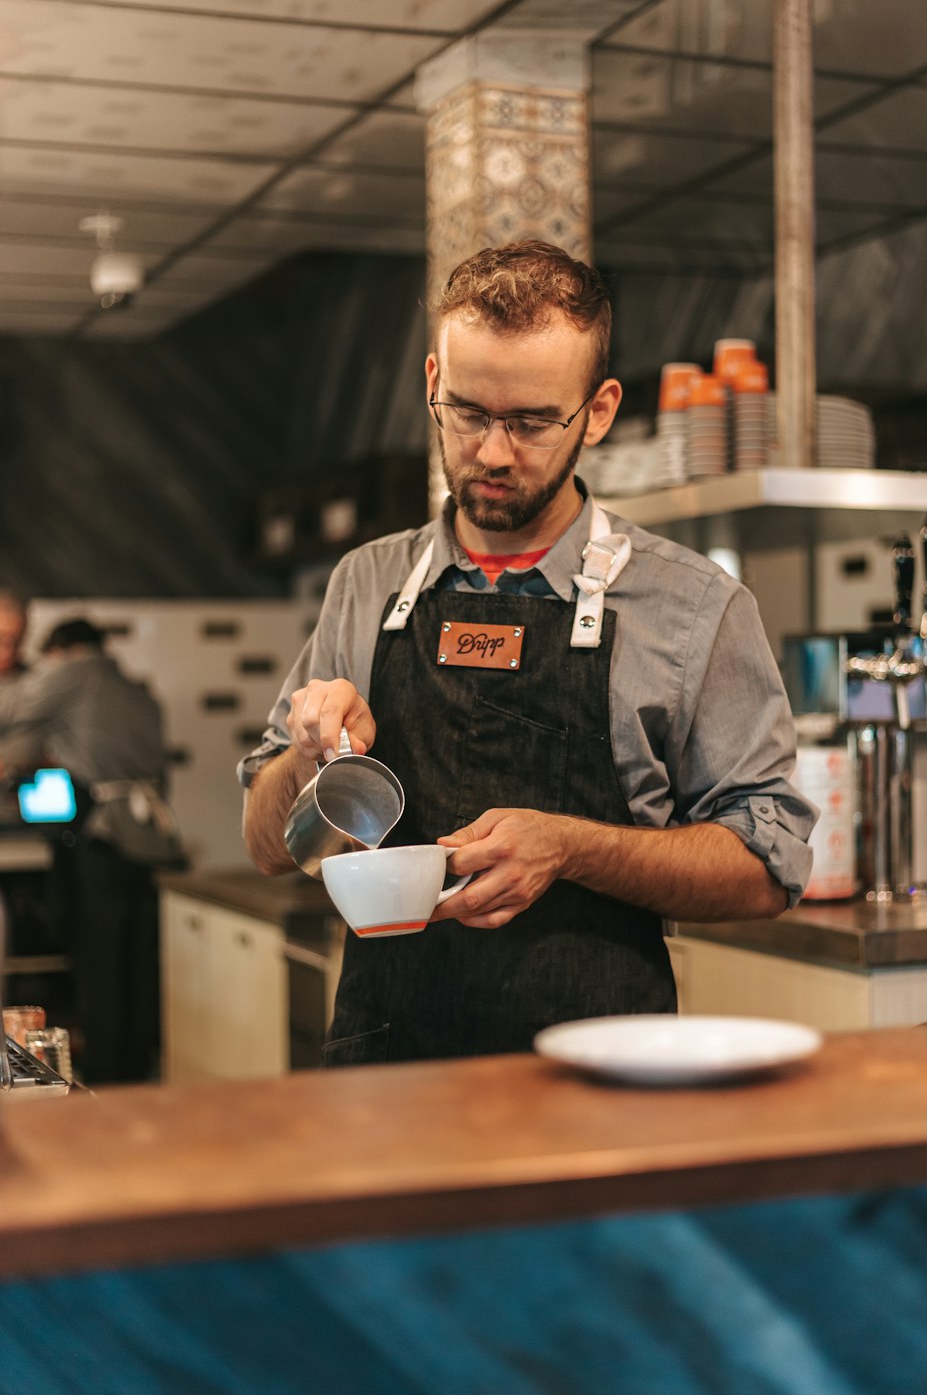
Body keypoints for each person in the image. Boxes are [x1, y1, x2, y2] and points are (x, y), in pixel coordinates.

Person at [241, 241, 816, 1066]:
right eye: (471, 413)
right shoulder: (365, 584)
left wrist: (572, 847)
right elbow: (269, 847)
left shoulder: (694, 607)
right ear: (434, 384)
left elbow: (769, 868)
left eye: (535, 421)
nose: (495, 452)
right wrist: (305, 758)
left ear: (601, 409)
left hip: (603, 1081)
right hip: (386, 1081)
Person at [0, 617, 183, 1083]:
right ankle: (137, 1070)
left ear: (61, 652)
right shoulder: (137, 689)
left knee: (99, 960)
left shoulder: (77, 671)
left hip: (104, 836)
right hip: (149, 836)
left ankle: (102, 1075)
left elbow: (11, 707)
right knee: (139, 963)